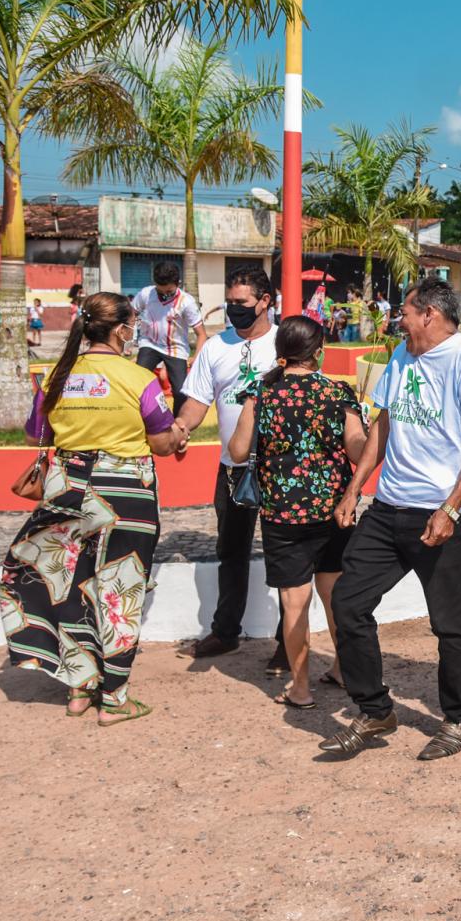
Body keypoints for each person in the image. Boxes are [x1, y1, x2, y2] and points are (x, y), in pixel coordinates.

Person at [321, 279, 461, 761]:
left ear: (429, 315)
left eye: (404, 311)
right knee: (348, 602)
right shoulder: (402, 354)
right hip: (387, 510)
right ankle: (375, 709)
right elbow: (383, 423)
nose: (397, 319)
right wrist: (355, 487)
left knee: (449, 622)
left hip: (438, 514)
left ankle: (460, 718)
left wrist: (452, 508)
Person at [0, 291, 184, 726]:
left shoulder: (59, 375)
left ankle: (81, 689)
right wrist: (178, 436)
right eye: (132, 324)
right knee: (120, 590)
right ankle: (115, 699)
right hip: (124, 494)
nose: (134, 331)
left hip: (66, 490)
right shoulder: (137, 378)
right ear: (121, 330)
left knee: (70, 586)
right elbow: (160, 442)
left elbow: (34, 437)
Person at [227, 315, 366, 710]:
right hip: (333, 510)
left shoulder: (261, 393)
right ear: (317, 353)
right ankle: (344, 669)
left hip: (281, 515)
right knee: (335, 596)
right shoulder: (336, 392)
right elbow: (358, 450)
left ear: (281, 352)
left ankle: (301, 688)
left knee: (294, 603)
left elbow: (238, 452)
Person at [174, 268, 282, 665]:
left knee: (282, 553)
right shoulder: (215, 348)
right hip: (232, 469)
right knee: (231, 551)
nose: (234, 310)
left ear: (265, 301)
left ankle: (289, 642)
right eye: (230, 303)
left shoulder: (285, 343)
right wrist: (181, 427)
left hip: (281, 469)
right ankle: (225, 632)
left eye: (242, 303)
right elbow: (197, 402)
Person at [132, 261, 207, 413]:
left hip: (176, 349)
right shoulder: (146, 294)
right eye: (161, 292)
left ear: (177, 284)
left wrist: (196, 357)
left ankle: (177, 425)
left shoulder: (187, 302)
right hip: (150, 344)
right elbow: (130, 314)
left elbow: (202, 334)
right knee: (136, 383)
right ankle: (141, 418)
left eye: (169, 292)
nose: (165, 295)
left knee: (180, 391)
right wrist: (127, 340)